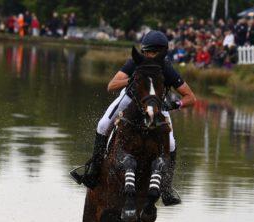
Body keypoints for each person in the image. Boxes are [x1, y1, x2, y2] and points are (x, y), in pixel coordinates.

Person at [73, 30, 197, 206]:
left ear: (163, 53)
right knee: (103, 124)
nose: (149, 56)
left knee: (171, 144)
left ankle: (167, 187)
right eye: (146, 52)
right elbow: (112, 85)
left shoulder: (167, 68)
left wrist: (174, 105)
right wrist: (133, 79)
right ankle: (94, 170)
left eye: (153, 52)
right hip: (131, 98)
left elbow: (190, 98)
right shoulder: (134, 63)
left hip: (158, 103)